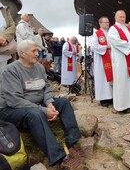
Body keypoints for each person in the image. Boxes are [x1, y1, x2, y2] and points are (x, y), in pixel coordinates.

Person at [0, 40, 85, 169]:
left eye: (37, 50)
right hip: (11, 109)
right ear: (22, 53)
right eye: (33, 51)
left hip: (36, 103)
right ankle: (58, 157)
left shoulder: (39, 67)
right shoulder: (11, 71)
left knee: (64, 103)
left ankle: (72, 142)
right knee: (35, 113)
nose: (37, 53)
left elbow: (46, 88)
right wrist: (44, 110)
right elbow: (15, 100)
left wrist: (50, 103)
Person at [107, 10, 130, 112]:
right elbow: (116, 42)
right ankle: (122, 106)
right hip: (121, 58)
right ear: (115, 17)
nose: (123, 19)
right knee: (122, 80)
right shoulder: (112, 29)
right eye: (120, 17)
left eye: (124, 17)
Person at [91, 16, 113, 106]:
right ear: (100, 23)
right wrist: (106, 47)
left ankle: (111, 97)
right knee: (102, 79)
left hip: (112, 58)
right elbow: (94, 46)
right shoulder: (96, 34)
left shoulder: (111, 33)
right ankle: (103, 99)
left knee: (112, 77)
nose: (108, 24)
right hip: (101, 60)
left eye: (108, 22)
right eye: (105, 22)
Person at [0, 2, 16, 91]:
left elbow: (12, 26)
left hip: (2, 49)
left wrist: (5, 38)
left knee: (3, 76)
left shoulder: (4, 9)